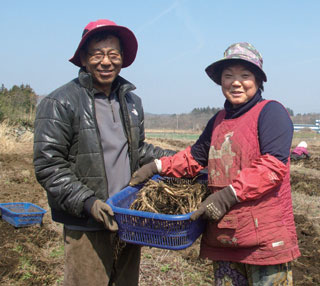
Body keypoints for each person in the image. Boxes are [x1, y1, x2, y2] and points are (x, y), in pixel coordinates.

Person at [130, 42, 301, 285]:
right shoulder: (218, 120)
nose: (236, 82)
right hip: (224, 235)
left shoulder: (271, 112)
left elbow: (272, 167)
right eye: (228, 76)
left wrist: (227, 195)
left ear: (258, 81)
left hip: (265, 242)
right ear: (220, 81)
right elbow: (195, 158)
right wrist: (157, 166)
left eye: (245, 75)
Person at [33, 19, 175, 286]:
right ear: (84, 60)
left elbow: (138, 150)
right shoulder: (60, 102)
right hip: (87, 221)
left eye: (113, 54)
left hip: (128, 217)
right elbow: (49, 166)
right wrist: (88, 203)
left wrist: (180, 158)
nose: (106, 61)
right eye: (97, 54)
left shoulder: (131, 101)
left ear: (122, 58)